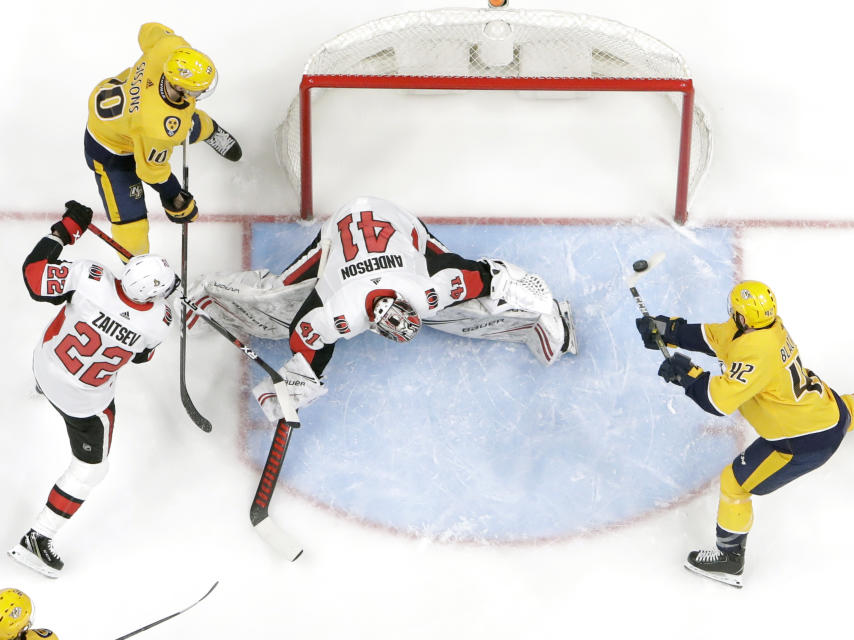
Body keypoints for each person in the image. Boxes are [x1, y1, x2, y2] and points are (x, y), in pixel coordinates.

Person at [184, 196, 578, 422]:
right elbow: (304, 333)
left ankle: (537, 325)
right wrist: (297, 381)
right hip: (340, 232)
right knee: (276, 299)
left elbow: (491, 275)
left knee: (467, 305)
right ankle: (205, 293)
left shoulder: (430, 290)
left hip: (398, 225)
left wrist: (534, 299)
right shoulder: (342, 310)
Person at [636, 280, 854, 587]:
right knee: (848, 412)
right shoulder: (766, 327)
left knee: (734, 484)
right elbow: (718, 337)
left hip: (802, 442)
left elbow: (718, 400)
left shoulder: (757, 352)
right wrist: (669, 331)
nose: (732, 316)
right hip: (824, 409)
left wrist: (688, 376)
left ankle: (729, 559)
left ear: (744, 318)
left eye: (735, 312)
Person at [8, 201, 177, 578]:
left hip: (45, 364)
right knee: (91, 470)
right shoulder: (159, 322)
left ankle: (39, 389)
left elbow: (35, 277)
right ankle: (37, 539)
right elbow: (141, 359)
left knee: (56, 353)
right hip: (83, 403)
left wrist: (66, 230)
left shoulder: (91, 276)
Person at [85, 22, 242, 257]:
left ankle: (211, 130)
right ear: (177, 85)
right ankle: (140, 272)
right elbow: (151, 171)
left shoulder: (169, 47)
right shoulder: (159, 127)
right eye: (196, 91)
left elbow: (148, 30)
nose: (199, 95)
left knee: (188, 123)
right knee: (131, 226)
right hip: (111, 152)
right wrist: (174, 195)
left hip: (119, 107)